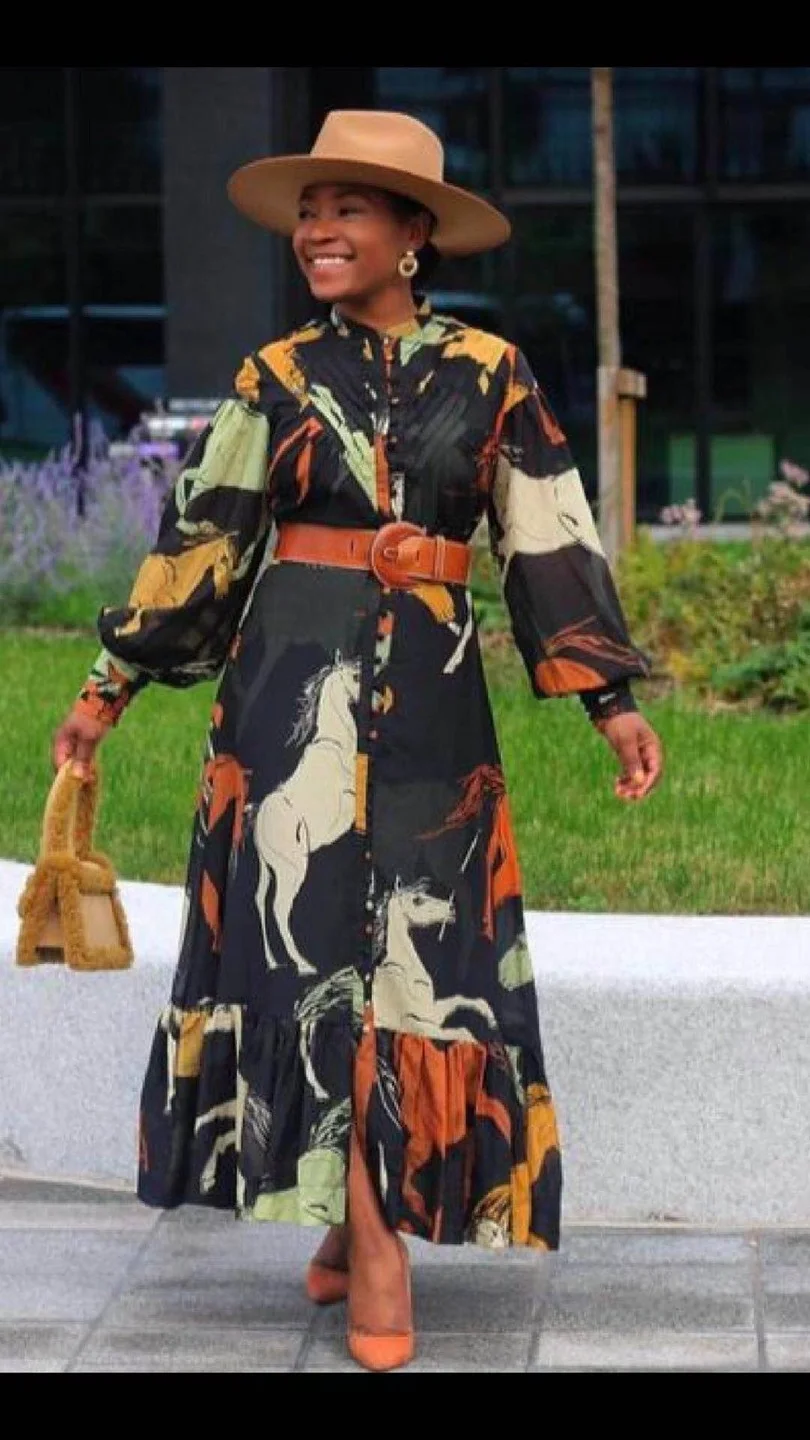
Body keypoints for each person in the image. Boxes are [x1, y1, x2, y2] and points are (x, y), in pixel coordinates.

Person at [51, 109, 664, 1372]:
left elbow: (546, 533)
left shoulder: (491, 372)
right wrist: (108, 690)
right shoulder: (275, 376)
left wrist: (610, 701)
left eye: (349, 210)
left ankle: (355, 1220)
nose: (319, 231)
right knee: (312, 958)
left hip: (437, 706)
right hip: (290, 700)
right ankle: (375, 1246)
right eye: (309, 212)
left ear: (414, 232)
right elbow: (202, 540)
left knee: (417, 965)